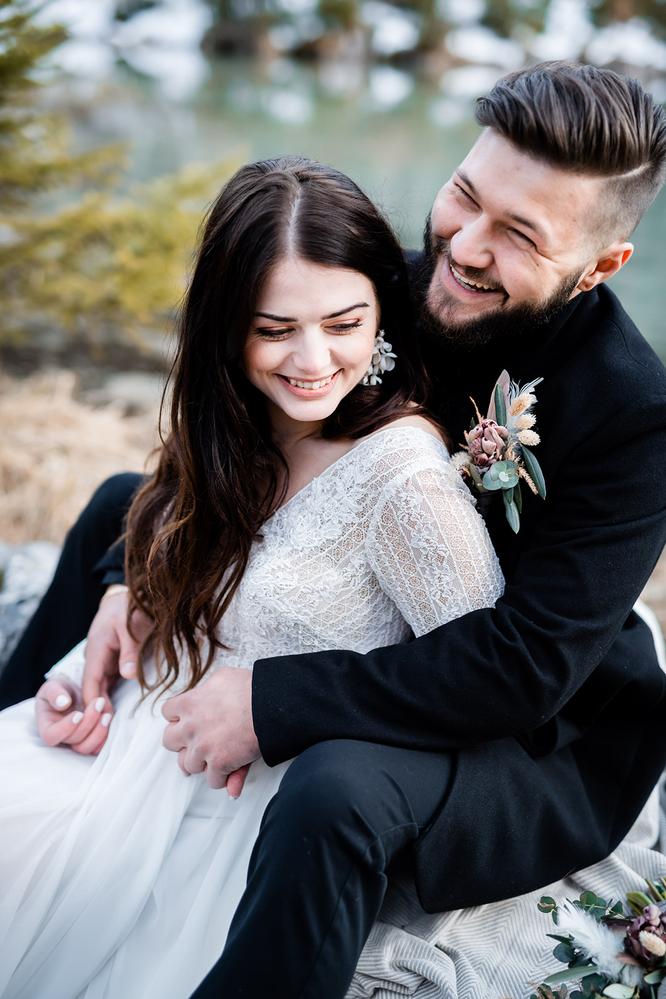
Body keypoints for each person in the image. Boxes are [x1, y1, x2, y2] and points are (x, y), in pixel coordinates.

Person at [1, 61, 666, 998]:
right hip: (369, 607)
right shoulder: (383, 286)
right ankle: (49, 727)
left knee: (336, 788)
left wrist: (270, 703)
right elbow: (236, 440)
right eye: (464, 196)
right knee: (119, 503)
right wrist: (132, 582)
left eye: (517, 234)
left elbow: (524, 667)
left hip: (533, 724)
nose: (463, 246)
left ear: (602, 265)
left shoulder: (636, 411)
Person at [0, 157, 505, 997]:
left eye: (345, 322)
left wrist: (294, 719)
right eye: (276, 330)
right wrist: (88, 675)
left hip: (220, 817)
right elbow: (181, 561)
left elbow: (472, 681)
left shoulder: (404, 480)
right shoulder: (235, 420)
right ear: (228, 329)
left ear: (383, 309)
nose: (313, 360)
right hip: (125, 744)